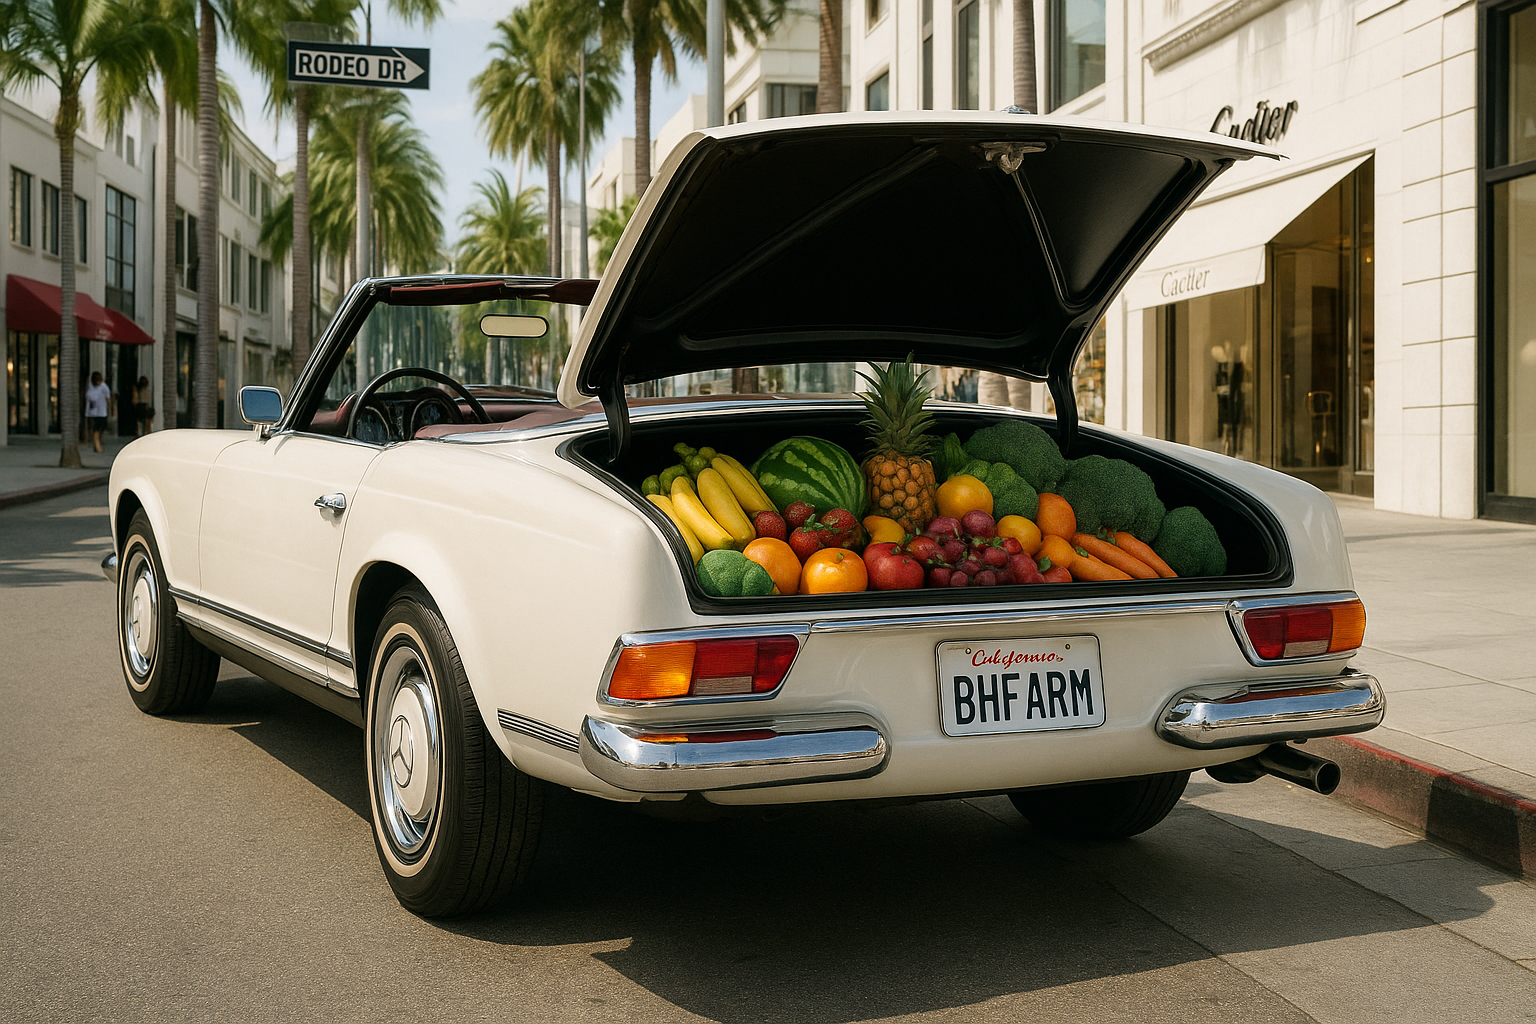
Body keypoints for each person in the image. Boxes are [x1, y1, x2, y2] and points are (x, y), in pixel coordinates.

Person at [84, 371, 113, 453]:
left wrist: (109, 409)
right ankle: (97, 445)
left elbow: (108, 399)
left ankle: (98, 441)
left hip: (101, 411)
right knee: (95, 429)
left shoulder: (104, 387)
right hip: (92, 412)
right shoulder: (90, 386)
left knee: (101, 427)